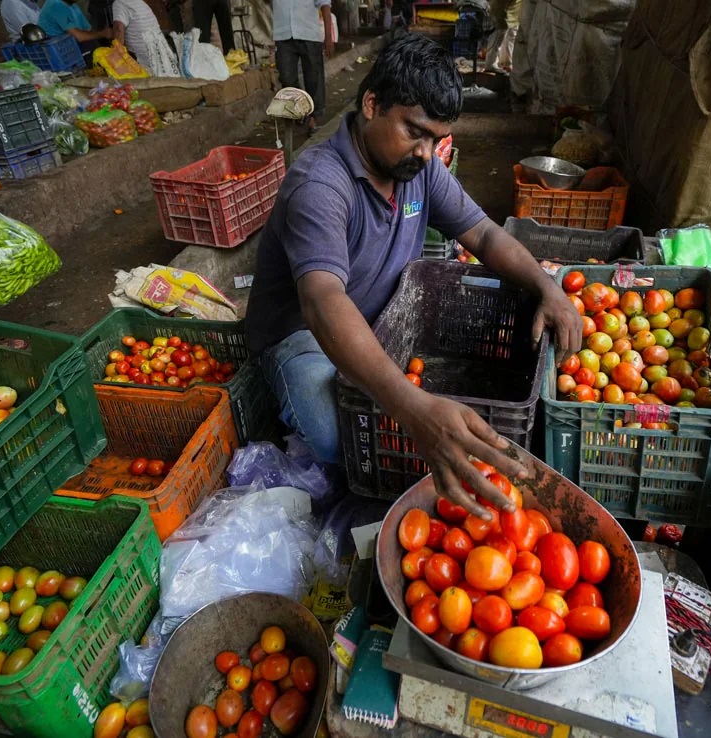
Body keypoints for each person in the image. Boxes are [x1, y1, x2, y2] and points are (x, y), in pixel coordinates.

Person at [244, 34, 580, 517]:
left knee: (414, 414)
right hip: (304, 336)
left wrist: (547, 287)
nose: (426, 152)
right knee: (338, 430)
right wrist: (414, 410)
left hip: (379, 316)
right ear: (371, 103)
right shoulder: (320, 185)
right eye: (414, 132)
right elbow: (322, 302)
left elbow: (483, 235)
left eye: (435, 139)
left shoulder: (416, 169)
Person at [273, 0, 335, 134]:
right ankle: (302, 110)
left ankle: (314, 118)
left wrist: (328, 36)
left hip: (309, 33)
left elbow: (325, 5)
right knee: (286, 78)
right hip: (283, 35)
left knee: (314, 79)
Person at [112, 0, 176, 70]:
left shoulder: (120, 3)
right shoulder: (138, 2)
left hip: (146, 63)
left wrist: (116, 58)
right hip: (162, 59)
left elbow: (118, 29)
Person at [39, 0, 112, 47]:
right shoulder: (56, 4)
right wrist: (103, 34)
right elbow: (79, 37)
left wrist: (103, 34)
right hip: (58, 52)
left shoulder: (74, 7)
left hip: (72, 49)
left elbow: (89, 31)